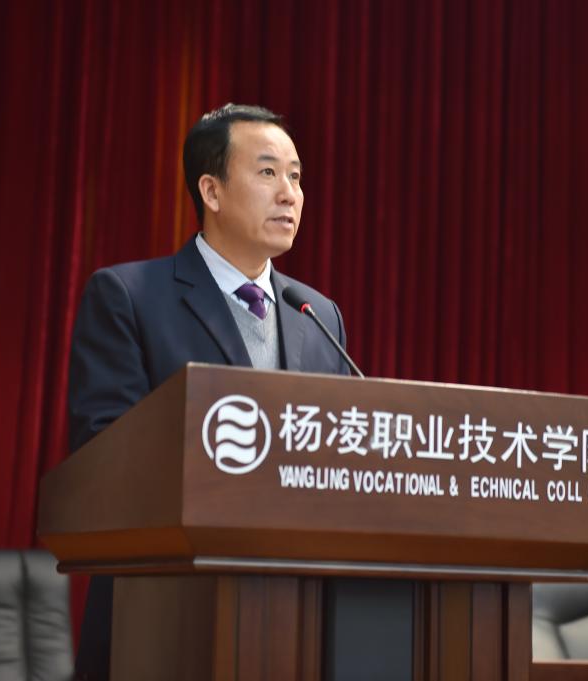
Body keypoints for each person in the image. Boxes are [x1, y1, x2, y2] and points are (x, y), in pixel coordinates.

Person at [67, 104, 351, 680]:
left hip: (297, 622)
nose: (290, 194)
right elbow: (105, 454)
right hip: (164, 617)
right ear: (211, 191)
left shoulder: (318, 315)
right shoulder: (129, 296)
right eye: (268, 172)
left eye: (296, 176)